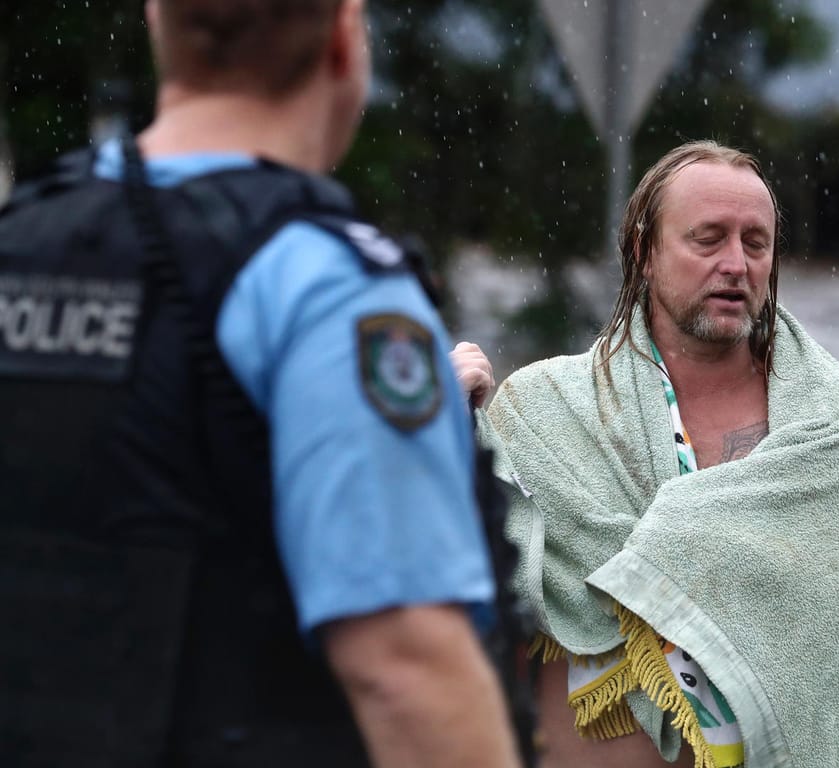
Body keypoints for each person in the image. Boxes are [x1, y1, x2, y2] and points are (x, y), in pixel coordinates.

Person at [0, 1, 521, 766]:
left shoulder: (24, 242)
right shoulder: (327, 288)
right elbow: (405, 672)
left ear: (159, 28)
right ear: (344, 41)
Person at [465, 141, 839, 768]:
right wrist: (448, 431)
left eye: (755, 243)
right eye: (708, 239)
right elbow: (453, 578)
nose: (736, 263)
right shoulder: (544, 413)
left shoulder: (832, 433)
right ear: (643, 255)